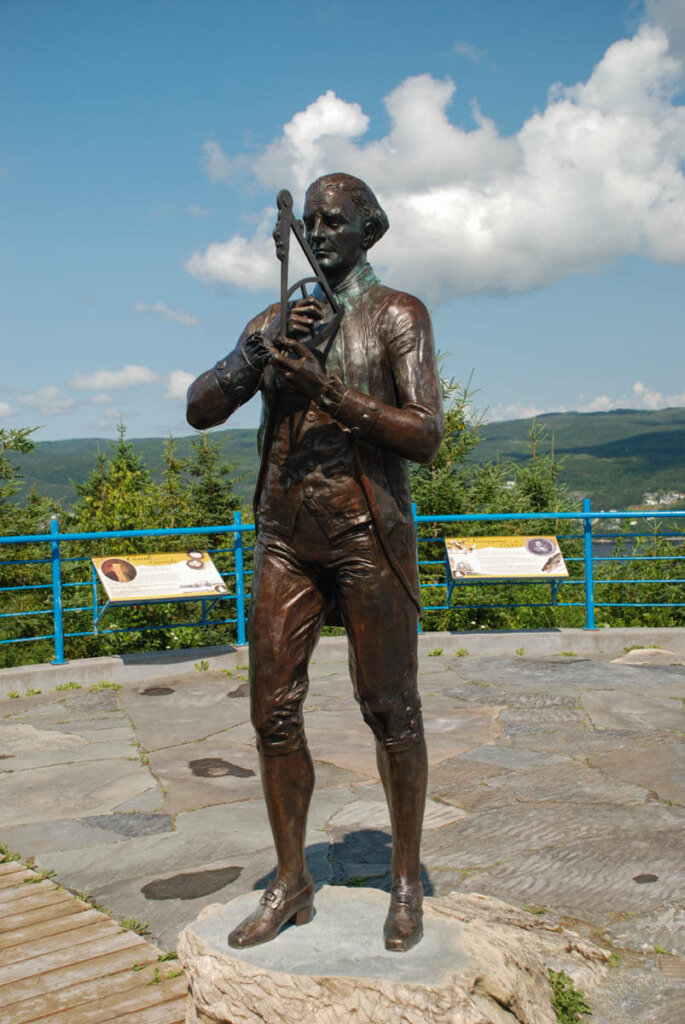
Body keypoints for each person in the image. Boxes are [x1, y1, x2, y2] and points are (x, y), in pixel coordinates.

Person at [186, 173, 443, 952]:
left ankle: (403, 878)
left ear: (370, 229)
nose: (322, 233)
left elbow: (424, 435)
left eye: (337, 222)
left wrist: (326, 392)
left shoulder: (397, 314)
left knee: (390, 710)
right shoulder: (277, 317)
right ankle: (292, 880)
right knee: (271, 714)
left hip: (367, 533)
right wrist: (251, 356)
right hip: (284, 540)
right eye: (315, 223)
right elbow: (200, 407)